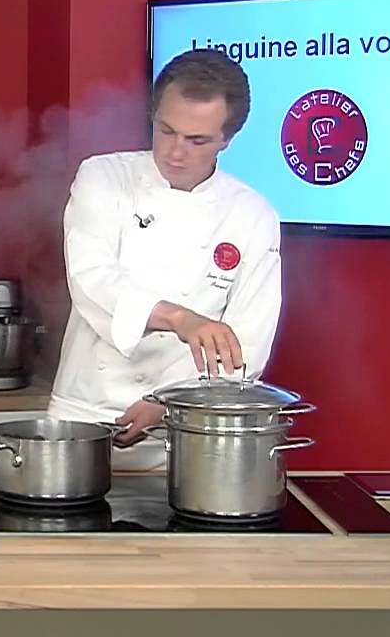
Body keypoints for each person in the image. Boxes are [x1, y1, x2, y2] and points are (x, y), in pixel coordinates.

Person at [49, 48, 282, 470]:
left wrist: (169, 404)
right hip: (84, 415)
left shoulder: (252, 214)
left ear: (228, 139)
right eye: (166, 130)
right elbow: (91, 279)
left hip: (188, 429)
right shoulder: (103, 177)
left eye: (197, 140)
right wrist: (180, 319)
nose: (175, 152)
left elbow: (247, 343)